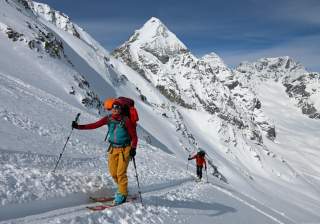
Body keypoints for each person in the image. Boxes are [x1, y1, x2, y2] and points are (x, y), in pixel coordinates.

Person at [72, 100, 138, 205]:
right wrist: (78, 127)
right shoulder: (109, 119)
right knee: (113, 173)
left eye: (117, 108)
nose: (115, 109)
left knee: (120, 173)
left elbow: (134, 137)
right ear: (111, 109)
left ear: (121, 109)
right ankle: (122, 188)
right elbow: (94, 125)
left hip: (125, 149)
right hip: (113, 148)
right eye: (114, 108)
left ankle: (122, 194)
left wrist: (133, 149)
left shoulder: (126, 120)